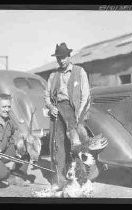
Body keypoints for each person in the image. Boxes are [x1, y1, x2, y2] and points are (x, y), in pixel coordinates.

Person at [44, 42, 90, 191]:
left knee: (76, 146)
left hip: (74, 111)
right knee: (58, 146)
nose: (61, 60)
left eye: (63, 57)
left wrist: (78, 115)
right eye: (58, 58)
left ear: (69, 56)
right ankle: (59, 180)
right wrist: (51, 107)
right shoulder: (53, 75)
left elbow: (86, 96)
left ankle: (80, 179)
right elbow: (46, 96)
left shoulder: (80, 72)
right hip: (58, 111)